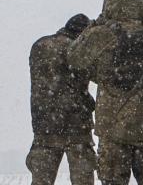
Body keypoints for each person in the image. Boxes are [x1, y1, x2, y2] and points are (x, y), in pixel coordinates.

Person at [69, 0, 143, 185]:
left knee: (112, 181)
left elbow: (75, 58)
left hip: (112, 125)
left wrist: (94, 26)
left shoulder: (101, 33)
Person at [27, 13, 96, 185]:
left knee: (41, 179)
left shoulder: (40, 45)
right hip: (76, 124)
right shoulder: (76, 49)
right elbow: (96, 75)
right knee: (83, 179)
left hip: (44, 124)